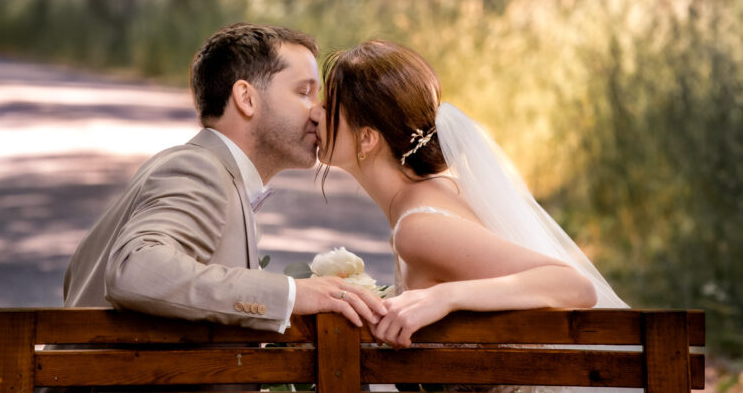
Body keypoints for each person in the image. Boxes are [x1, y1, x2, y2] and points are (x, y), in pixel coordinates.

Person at [63, 23, 385, 331]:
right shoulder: (199, 171)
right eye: (304, 92)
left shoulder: (195, 168)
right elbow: (134, 270)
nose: (318, 112)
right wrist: (291, 295)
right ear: (246, 99)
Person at [317, 39, 627, 349]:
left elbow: (575, 286)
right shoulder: (434, 191)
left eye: (328, 107)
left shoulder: (419, 227)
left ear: (367, 139)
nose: (315, 113)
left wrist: (445, 297)